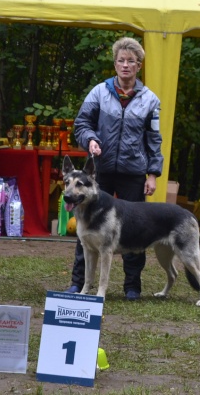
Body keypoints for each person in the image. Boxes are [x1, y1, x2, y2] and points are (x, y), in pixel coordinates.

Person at [66, 36, 163, 301]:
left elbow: (154, 139)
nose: (125, 65)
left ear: (139, 66)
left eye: (131, 61)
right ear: (115, 63)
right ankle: (78, 283)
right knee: (86, 228)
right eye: (121, 60)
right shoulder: (99, 92)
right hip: (100, 173)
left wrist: (152, 174)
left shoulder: (150, 100)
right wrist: (91, 140)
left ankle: (132, 286)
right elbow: (81, 123)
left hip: (133, 172)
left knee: (136, 229)